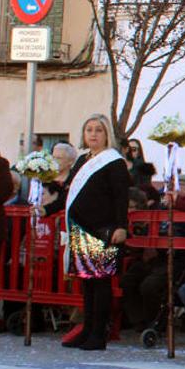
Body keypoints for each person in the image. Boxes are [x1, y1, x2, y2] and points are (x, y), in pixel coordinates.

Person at [53, 115, 131, 351]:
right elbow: (69, 196)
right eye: (89, 130)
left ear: (106, 134)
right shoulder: (81, 161)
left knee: (101, 283)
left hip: (103, 230)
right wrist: (45, 208)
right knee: (86, 284)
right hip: (81, 229)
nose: (93, 134)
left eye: (98, 130)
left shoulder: (113, 162)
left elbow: (121, 197)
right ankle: (87, 329)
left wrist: (121, 226)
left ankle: (99, 334)